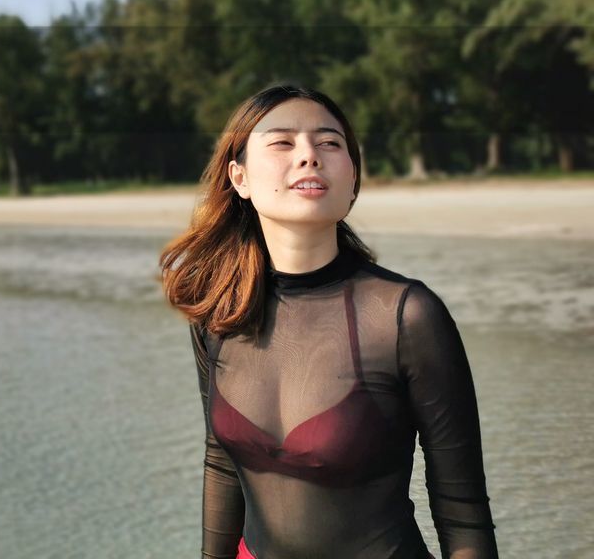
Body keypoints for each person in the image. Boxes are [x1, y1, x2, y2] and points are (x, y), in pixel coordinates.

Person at [159, 84, 498, 559]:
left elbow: (462, 513)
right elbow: (221, 460)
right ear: (240, 178)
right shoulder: (220, 312)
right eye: (282, 142)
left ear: (353, 178)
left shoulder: (406, 317)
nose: (309, 156)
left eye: (329, 143)